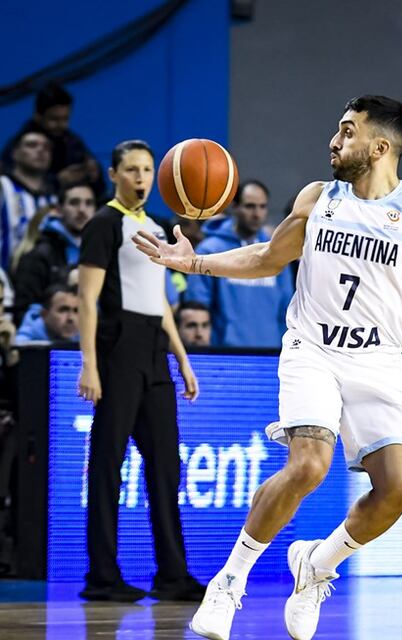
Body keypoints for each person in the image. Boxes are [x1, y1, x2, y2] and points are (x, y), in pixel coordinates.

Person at [135, 95, 402, 640]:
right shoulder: (318, 199)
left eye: (347, 131)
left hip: (377, 361)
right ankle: (229, 583)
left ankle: (317, 564)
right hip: (312, 350)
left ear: (380, 147)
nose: (334, 142)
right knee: (309, 463)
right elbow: (267, 257)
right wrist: (192, 262)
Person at [77, 140, 204, 603]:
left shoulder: (154, 228)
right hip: (117, 352)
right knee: (108, 466)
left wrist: (182, 359)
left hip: (155, 354)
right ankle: (102, 576)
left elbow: (162, 303)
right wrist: (89, 364)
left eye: (147, 170)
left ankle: (173, 575)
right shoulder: (103, 225)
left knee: (166, 470)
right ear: (114, 174)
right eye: (131, 169)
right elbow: (87, 300)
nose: (141, 178)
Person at [185, 179, 293, 347]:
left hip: (272, 353)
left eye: (262, 207)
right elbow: (198, 309)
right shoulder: (210, 250)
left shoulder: (275, 251)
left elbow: (286, 309)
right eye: (250, 206)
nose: (257, 214)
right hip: (223, 353)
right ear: (234, 207)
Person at [1, 82, 106, 196]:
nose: (61, 125)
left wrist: (93, 173)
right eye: (54, 119)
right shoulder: (21, 143)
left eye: (65, 119)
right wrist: (58, 182)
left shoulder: (71, 141)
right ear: (37, 116)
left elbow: (100, 185)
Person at [13, 181, 96, 322]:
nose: (82, 209)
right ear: (59, 209)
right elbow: (23, 314)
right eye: (74, 203)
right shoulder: (38, 255)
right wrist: (65, 283)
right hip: (52, 342)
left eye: (89, 203)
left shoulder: (102, 250)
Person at [1, 131, 57, 271]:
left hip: (41, 283)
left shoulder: (54, 198)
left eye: (46, 147)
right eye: (32, 145)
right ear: (15, 153)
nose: (40, 150)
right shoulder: (3, 186)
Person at [14, 283, 78, 343]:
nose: (71, 318)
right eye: (63, 310)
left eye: (76, 311)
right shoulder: (22, 346)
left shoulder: (84, 340)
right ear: (44, 314)